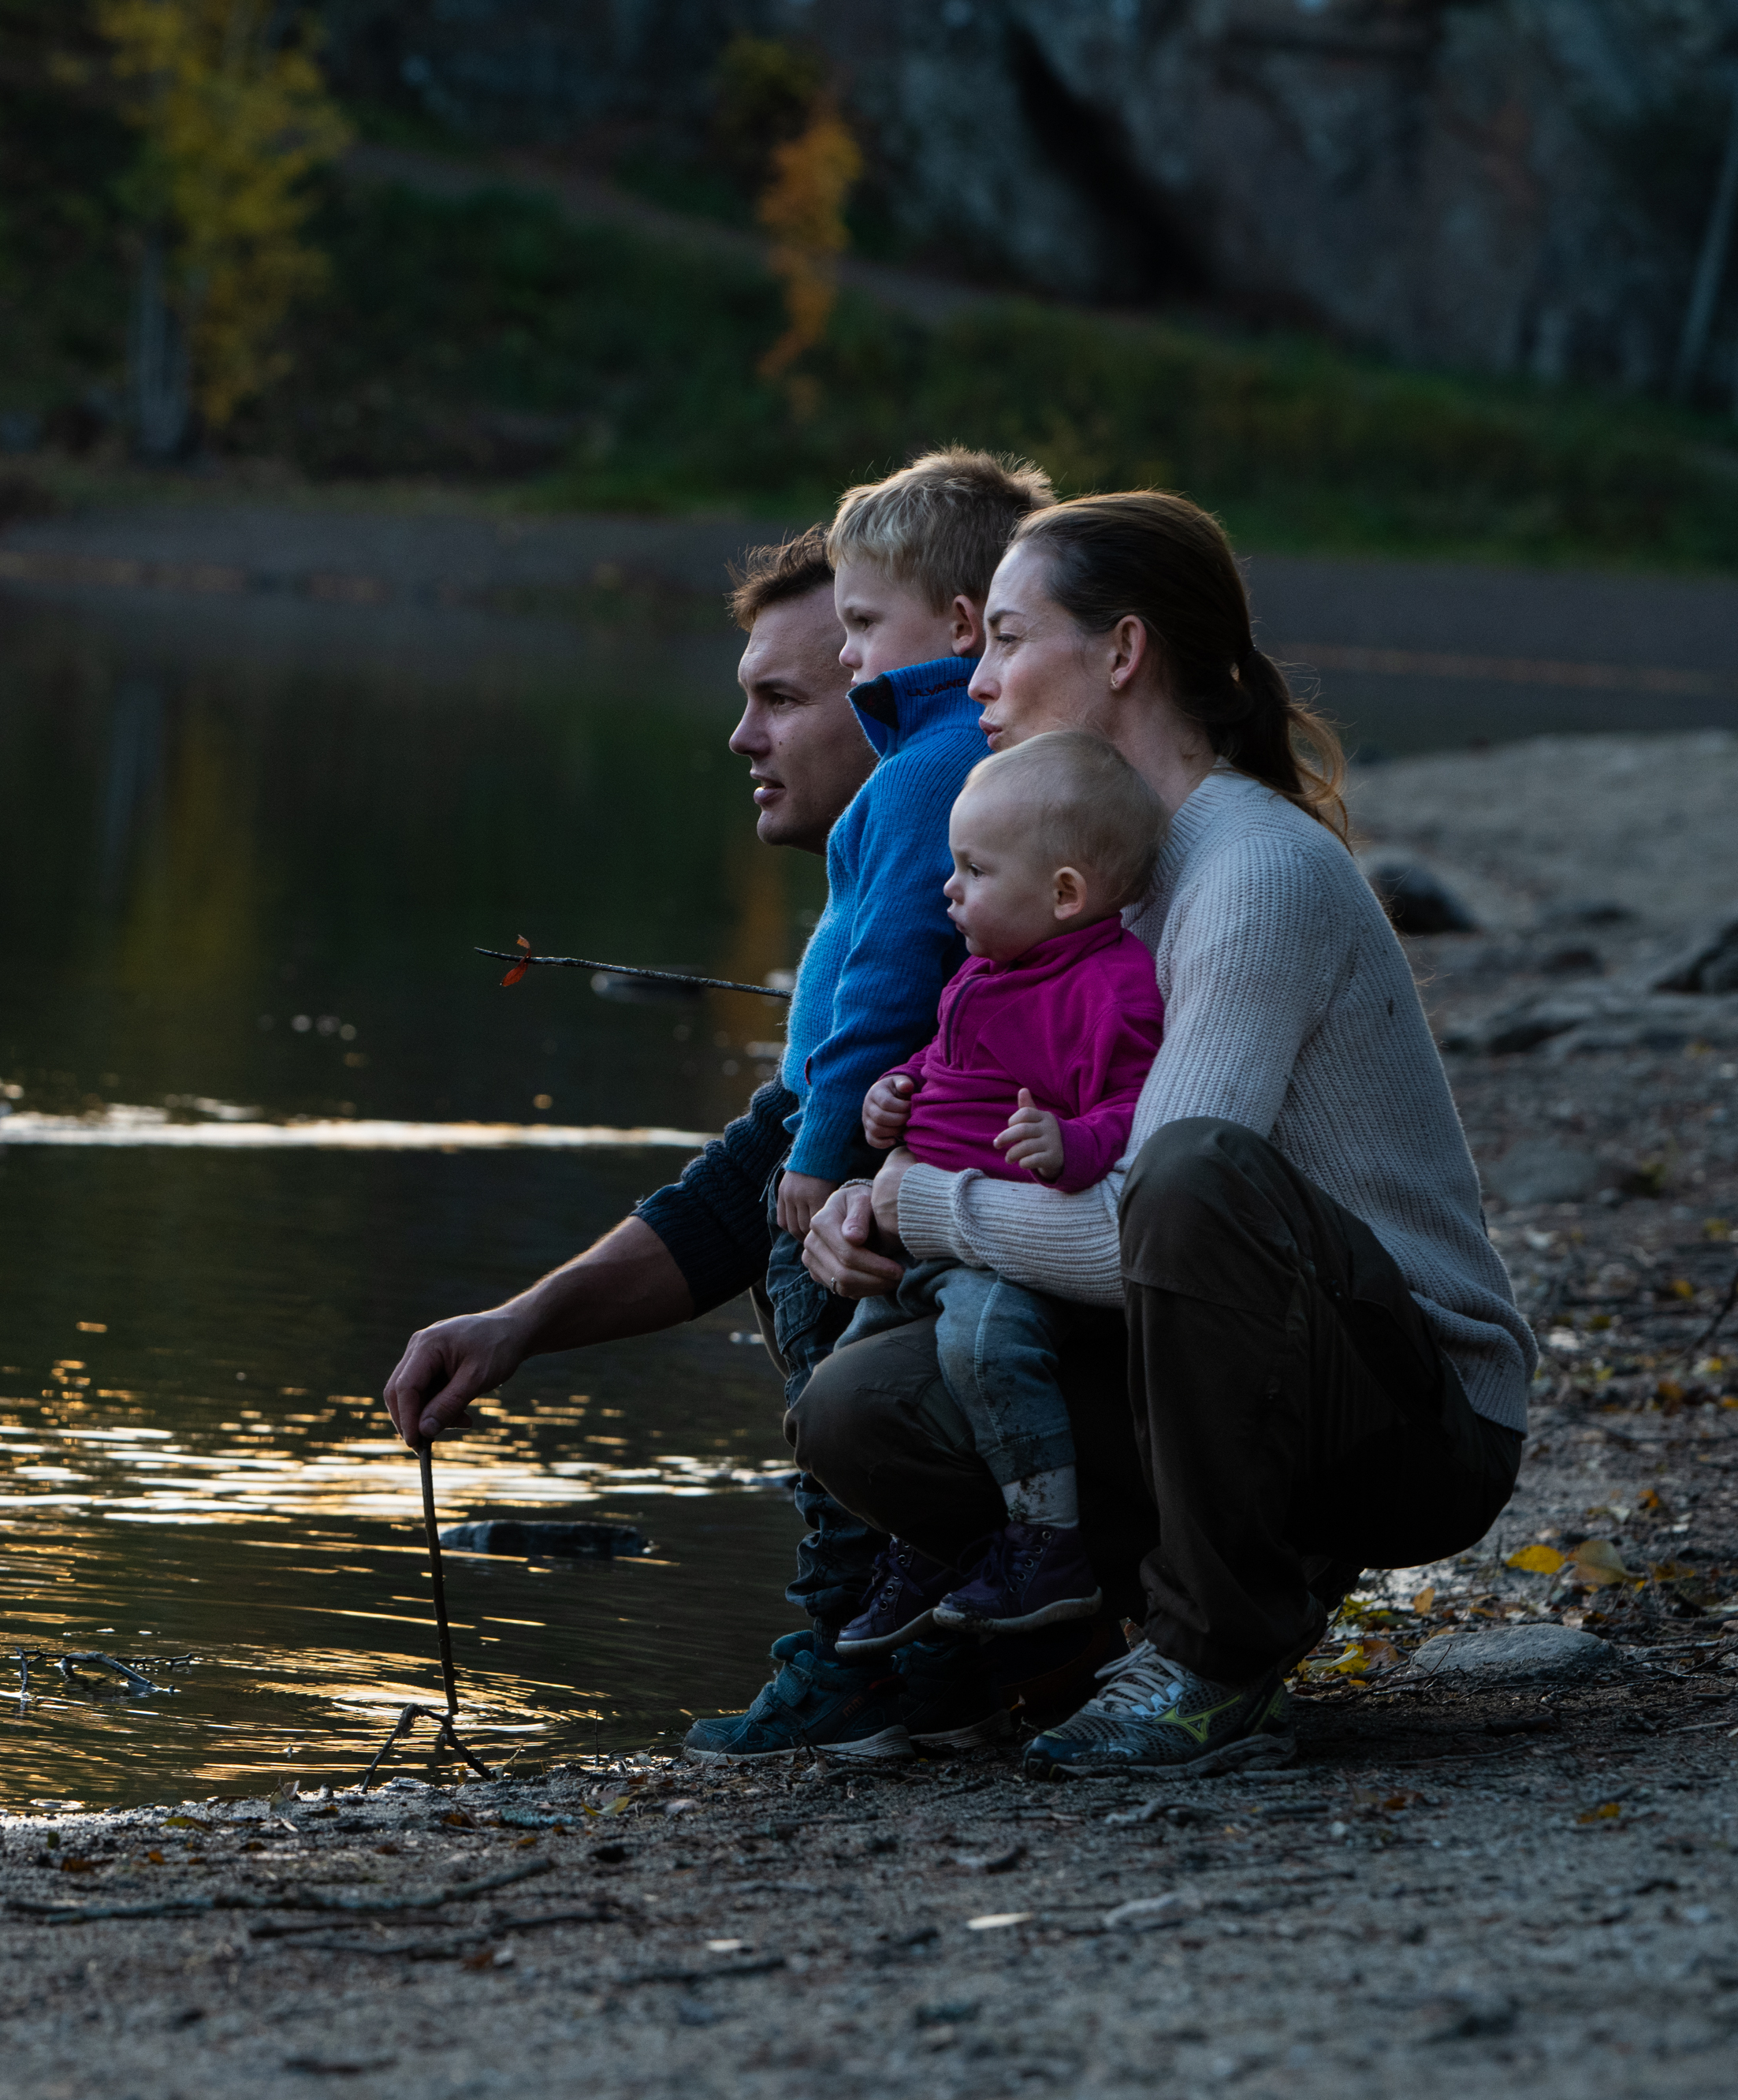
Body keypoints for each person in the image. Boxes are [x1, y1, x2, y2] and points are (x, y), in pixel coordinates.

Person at [792, 490, 1537, 1779]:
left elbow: (1143, 1214)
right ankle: (1075, 1634)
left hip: (1413, 1408)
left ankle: (1210, 1657)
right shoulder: (1099, 887)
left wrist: (921, 1203)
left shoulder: (1250, 871)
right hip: (1235, 1363)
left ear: (1122, 653)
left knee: (1184, 1176)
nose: (974, 677)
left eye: (1009, 637)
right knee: (859, 1406)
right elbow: (1039, 1150)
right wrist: (877, 1191)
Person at [384, 449, 1066, 1765]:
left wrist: (840, 1175)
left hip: (1061, 1360)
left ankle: (929, 1653)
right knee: (795, 1224)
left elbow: (807, 1162)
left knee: (829, 1289)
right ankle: (912, 1646)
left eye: (783, 695)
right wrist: (519, 1324)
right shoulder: (943, 870)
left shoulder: (966, 853)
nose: (741, 738)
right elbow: (743, 1177)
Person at [828, 731, 1166, 1655]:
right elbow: (943, 1064)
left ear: (1064, 892)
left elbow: (1139, 1109)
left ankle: (1046, 1538)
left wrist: (1072, 1140)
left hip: (1004, 1243)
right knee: (849, 1378)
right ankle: (933, 1545)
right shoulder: (981, 974)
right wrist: (891, 1091)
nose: (949, 890)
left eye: (974, 869)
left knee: (985, 1349)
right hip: (921, 1238)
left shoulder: (1113, 989)